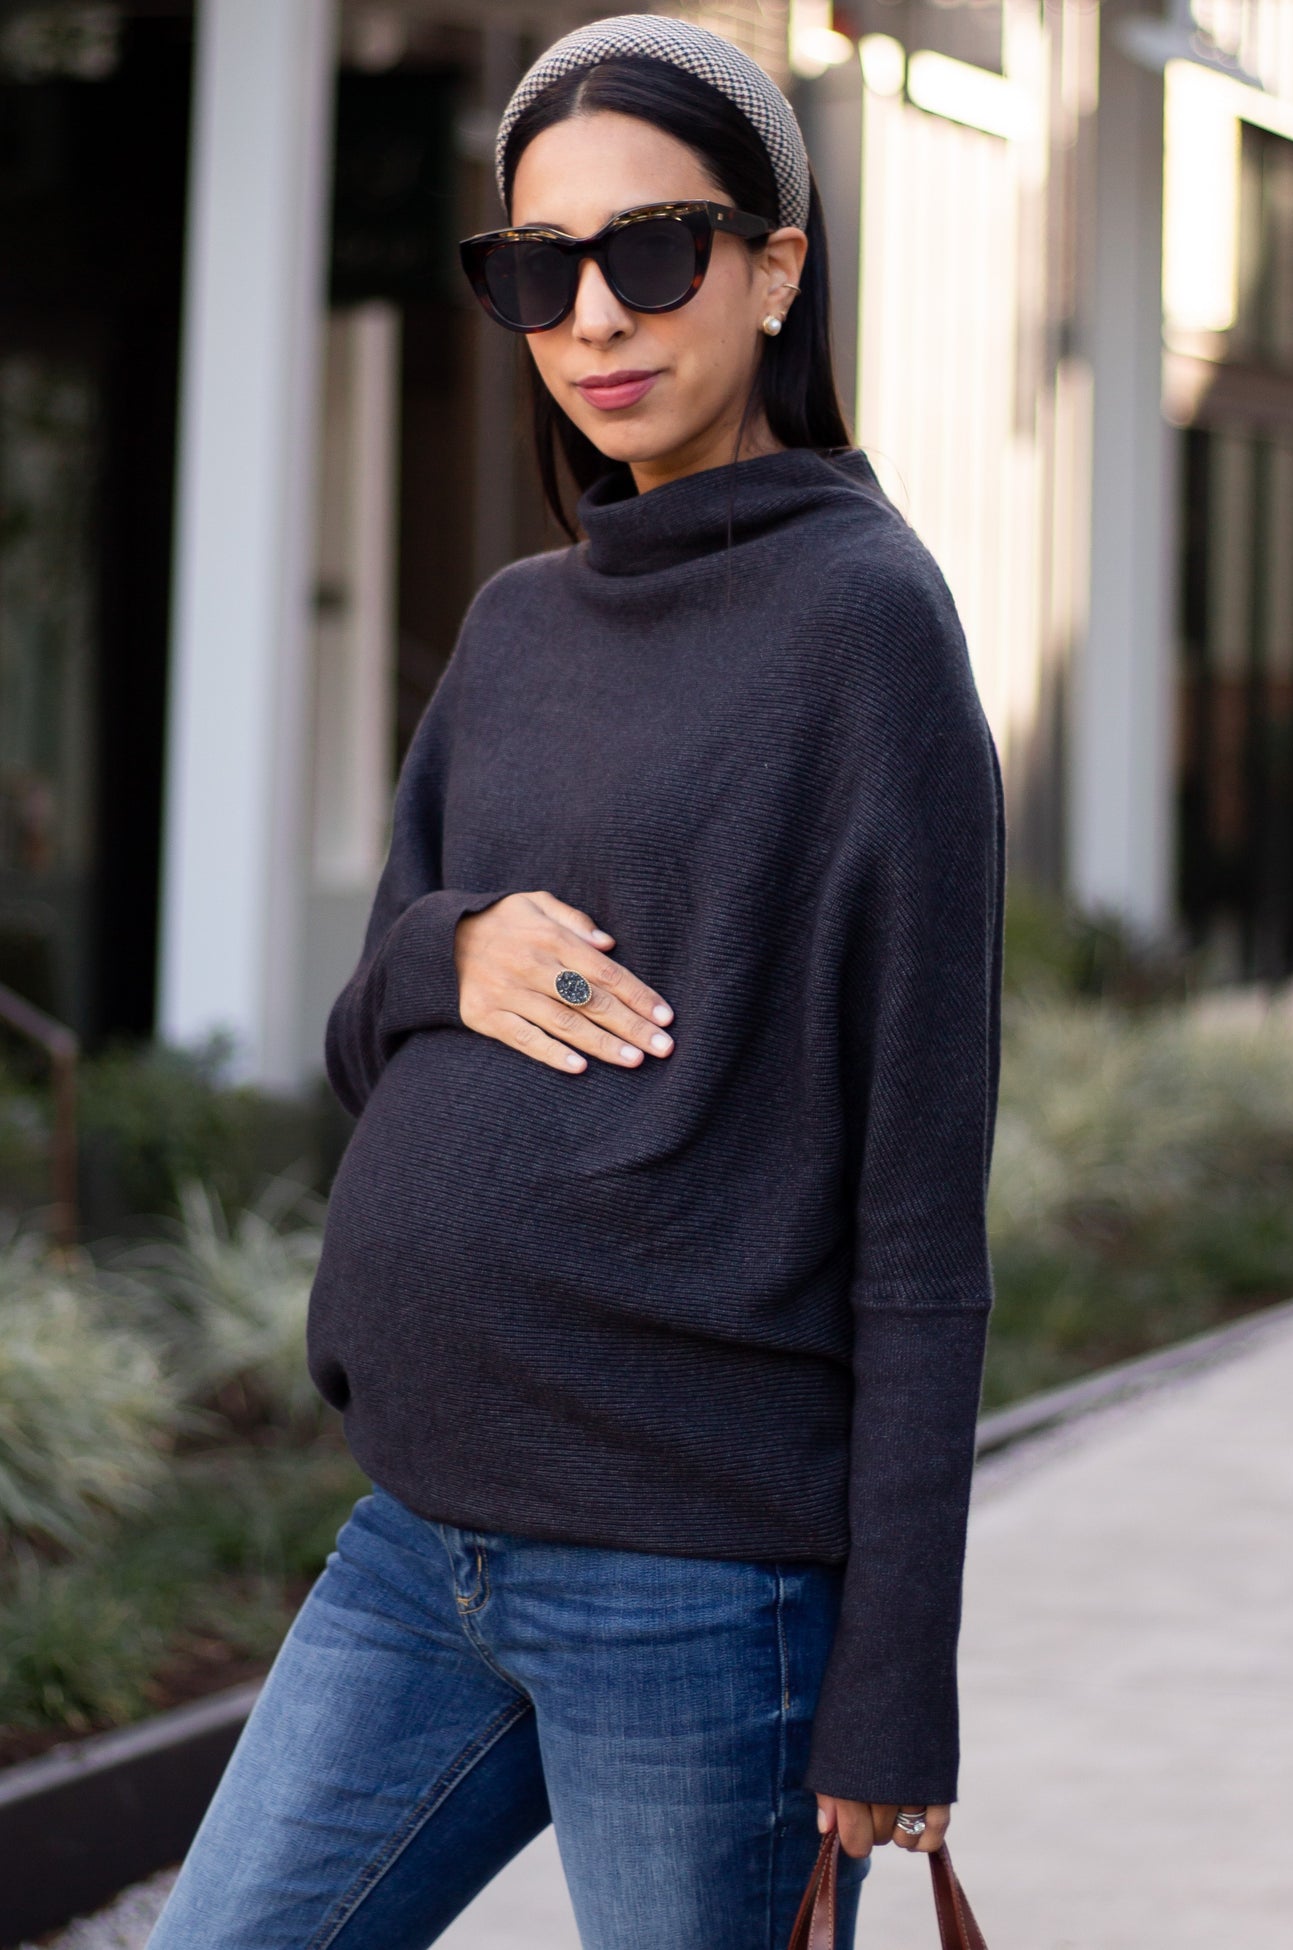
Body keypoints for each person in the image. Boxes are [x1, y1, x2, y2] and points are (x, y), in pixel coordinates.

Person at [147, 15, 1005, 1950]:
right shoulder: (517, 626)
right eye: (540, 269)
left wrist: (896, 1678)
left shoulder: (869, 627)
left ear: (777, 268)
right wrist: (446, 948)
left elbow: (919, 1200)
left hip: (693, 1578)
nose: (595, 314)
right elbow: (365, 1028)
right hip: (417, 1535)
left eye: (655, 249)